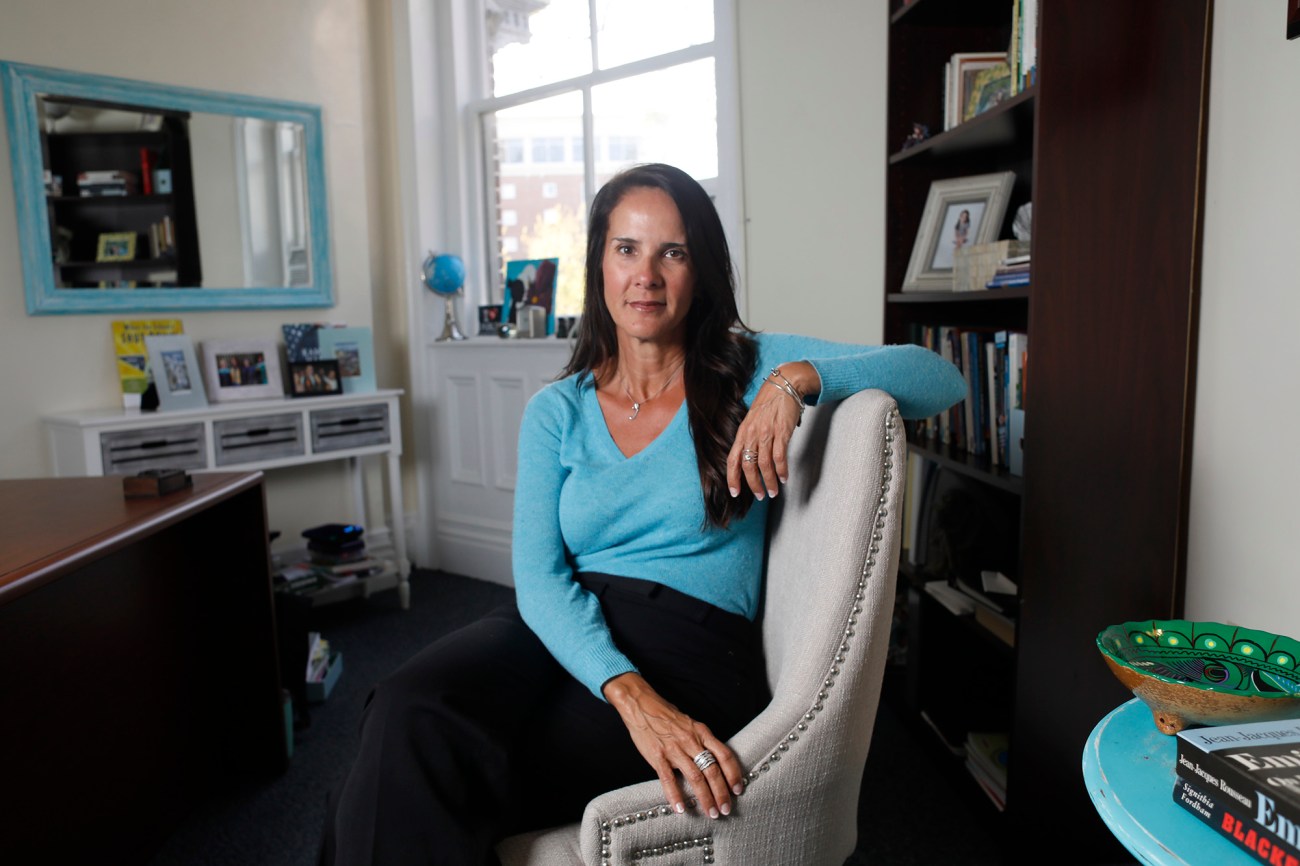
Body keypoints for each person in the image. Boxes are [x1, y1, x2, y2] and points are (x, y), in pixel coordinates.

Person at [319, 163, 966, 866]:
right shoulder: (556, 410)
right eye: (627, 248)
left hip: (688, 641)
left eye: (673, 252)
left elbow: (939, 379)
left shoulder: (748, 367)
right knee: (403, 707)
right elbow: (537, 575)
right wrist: (628, 695)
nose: (646, 275)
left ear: (702, 269)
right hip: (557, 625)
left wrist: (798, 379)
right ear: (599, 262)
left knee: (422, 769)